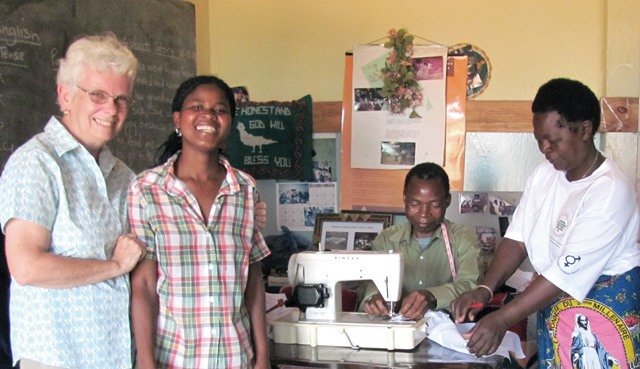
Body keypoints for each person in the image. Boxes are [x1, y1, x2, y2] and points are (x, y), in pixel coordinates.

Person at [451, 78, 640, 369]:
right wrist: (485, 289)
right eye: (539, 139)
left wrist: (502, 318)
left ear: (585, 130)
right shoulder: (545, 174)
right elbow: (518, 237)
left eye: (553, 140)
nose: (545, 148)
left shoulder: (610, 192)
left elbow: (563, 275)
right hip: (557, 309)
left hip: (604, 314)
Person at [0, 33, 147, 369]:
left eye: (121, 99)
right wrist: (113, 267)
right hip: (57, 360)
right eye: (97, 94)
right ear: (65, 95)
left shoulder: (124, 176)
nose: (111, 109)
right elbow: (25, 266)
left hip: (117, 359)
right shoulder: (36, 162)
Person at [129, 75, 271, 369]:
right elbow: (143, 285)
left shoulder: (244, 189)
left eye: (220, 110)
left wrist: (263, 357)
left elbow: (253, 279)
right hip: (175, 358)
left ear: (229, 122)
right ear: (178, 119)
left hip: (236, 357)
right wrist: (145, 360)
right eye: (197, 106)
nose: (209, 115)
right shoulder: (147, 189)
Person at [360, 162, 481, 320]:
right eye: (415, 204)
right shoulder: (386, 240)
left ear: (447, 201)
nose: (424, 213)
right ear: (404, 198)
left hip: (447, 328)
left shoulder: (464, 238)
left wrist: (431, 295)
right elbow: (371, 282)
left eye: (435, 205)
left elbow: (470, 285)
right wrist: (375, 298)